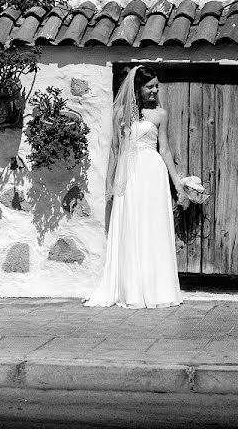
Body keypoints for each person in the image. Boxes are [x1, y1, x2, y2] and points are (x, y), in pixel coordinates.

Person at [83, 66, 185, 309]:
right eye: (150, 86)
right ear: (138, 88)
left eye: (157, 86)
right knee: (132, 223)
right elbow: (115, 150)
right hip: (130, 174)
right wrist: (109, 182)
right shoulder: (120, 113)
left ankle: (156, 287)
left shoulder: (160, 113)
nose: (155, 90)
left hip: (154, 173)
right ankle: (131, 287)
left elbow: (166, 150)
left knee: (153, 226)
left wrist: (177, 183)